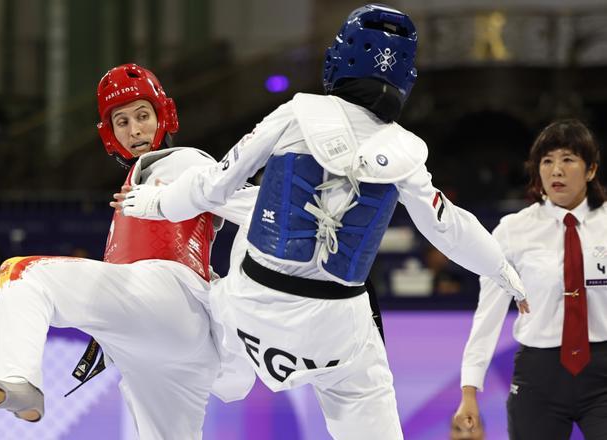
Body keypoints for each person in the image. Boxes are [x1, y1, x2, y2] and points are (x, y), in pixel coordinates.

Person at [118, 5, 530, 439]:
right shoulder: (406, 152)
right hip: (337, 331)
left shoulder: (295, 115)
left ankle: (217, 367)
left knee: (231, 263)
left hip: (253, 310)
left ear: (339, 58)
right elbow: (449, 228)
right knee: (369, 389)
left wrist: (152, 202)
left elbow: (213, 187)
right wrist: (503, 270)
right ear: (405, 77)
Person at [0, 63, 256, 440]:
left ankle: (20, 381)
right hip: (165, 350)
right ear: (110, 134)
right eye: (122, 122)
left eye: (143, 116)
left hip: (173, 299)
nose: (134, 130)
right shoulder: (134, 186)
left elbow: (258, 208)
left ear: (164, 115)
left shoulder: (185, 161)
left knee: (24, 274)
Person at [452, 119, 607, 439]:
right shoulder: (513, 230)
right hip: (539, 376)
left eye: (568, 159)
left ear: (591, 170)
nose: (556, 171)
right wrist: (469, 389)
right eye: (546, 161)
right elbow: (488, 314)